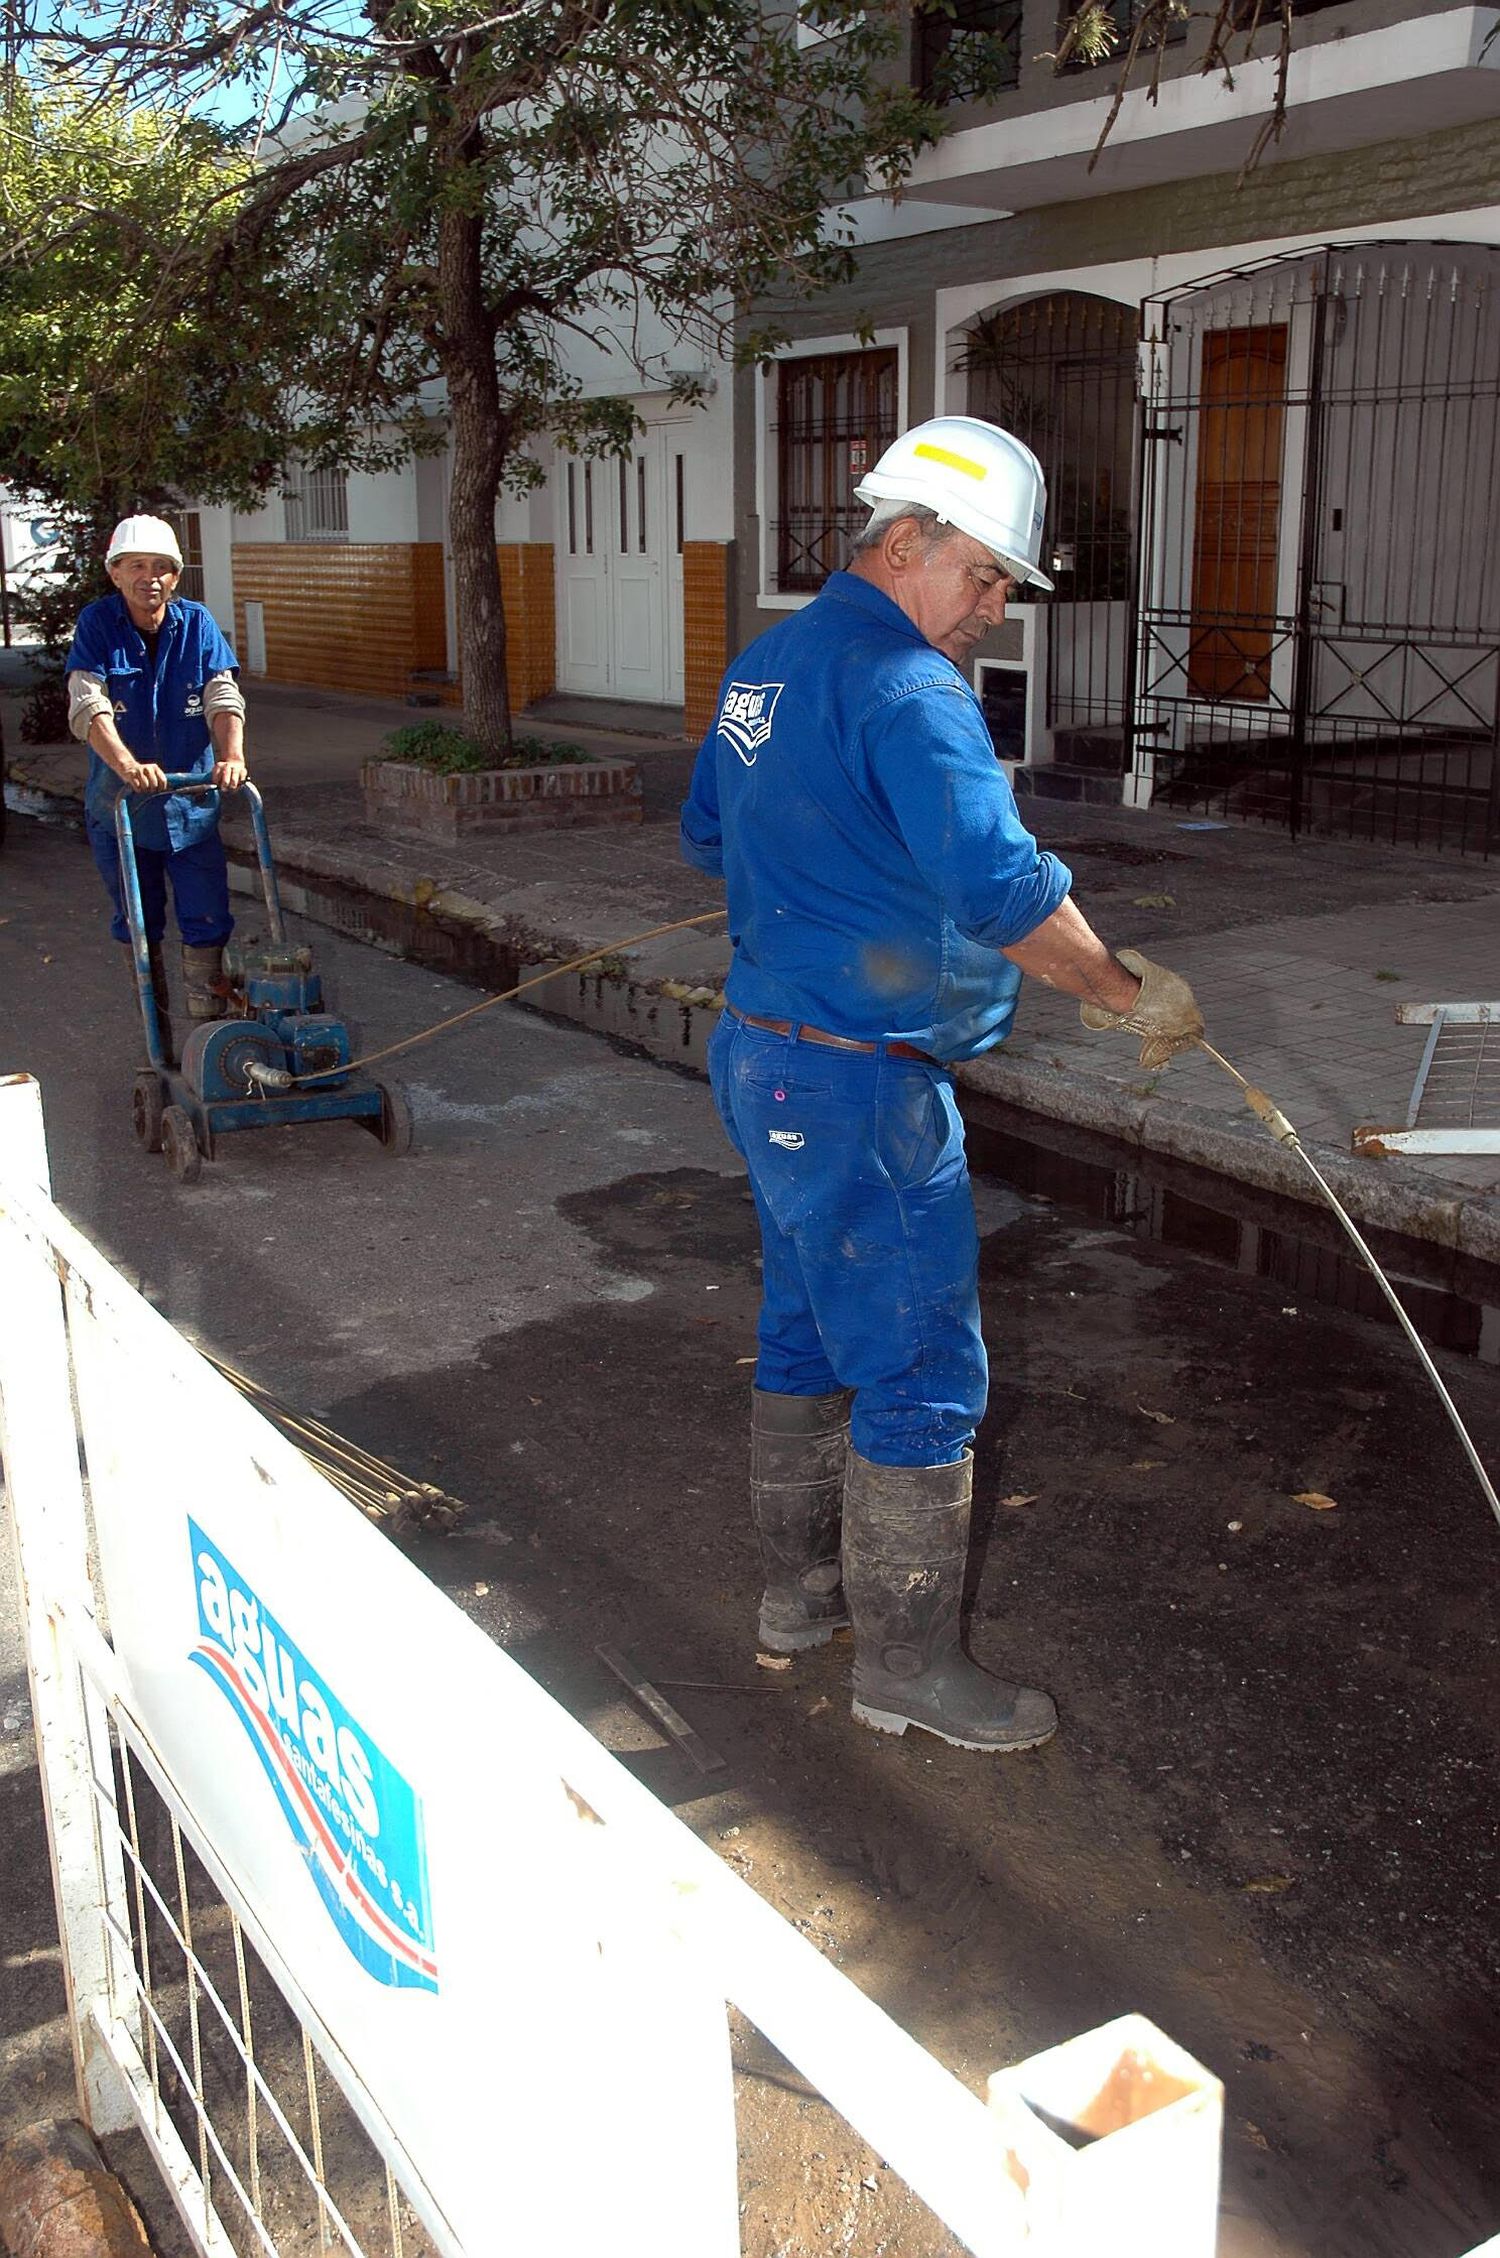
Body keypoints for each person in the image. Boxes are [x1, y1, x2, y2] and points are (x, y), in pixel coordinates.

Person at [680, 415, 1205, 1756]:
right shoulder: (911, 688)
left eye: (1005, 585)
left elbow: (704, 832)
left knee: (804, 1325)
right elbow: (1000, 888)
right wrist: (1126, 991)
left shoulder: (770, 661)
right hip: (860, 1084)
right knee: (920, 1366)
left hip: (764, 1056)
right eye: (981, 574)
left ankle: (798, 1601)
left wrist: (824, 870)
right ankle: (906, 1670)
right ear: (903, 537)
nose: (992, 606)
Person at [66, 514, 248, 1061]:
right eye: (137, 566)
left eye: (162, 568)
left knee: (208, 917)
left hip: (191, 807)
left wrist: (232, 754)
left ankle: (207, 1042)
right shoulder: (98, 625)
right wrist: (126, 764)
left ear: (175, 576)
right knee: (138, 923)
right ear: (116, 574)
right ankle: (158, 1040)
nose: (150, 577)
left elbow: (222, 697)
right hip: (121, 812)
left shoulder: (197, 624)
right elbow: (88, 704)